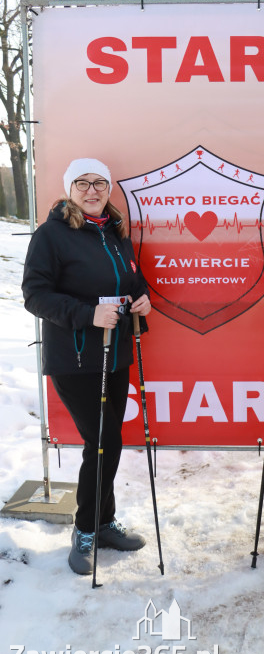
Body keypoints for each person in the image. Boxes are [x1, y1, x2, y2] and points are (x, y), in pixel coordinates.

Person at [22, 158, 152, 575]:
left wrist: (142, 299)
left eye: (100, 183)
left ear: (109, 189)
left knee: (107, 443)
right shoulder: (51, 235)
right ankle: (85, 530)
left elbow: (131, 281)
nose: (92, 190)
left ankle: (103, 522)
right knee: (103, 441)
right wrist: (87, 314)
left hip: (115, 355)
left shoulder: (115, 232)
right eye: (82, 183)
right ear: (69, 189)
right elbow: (35, 295)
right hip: (75, 358)